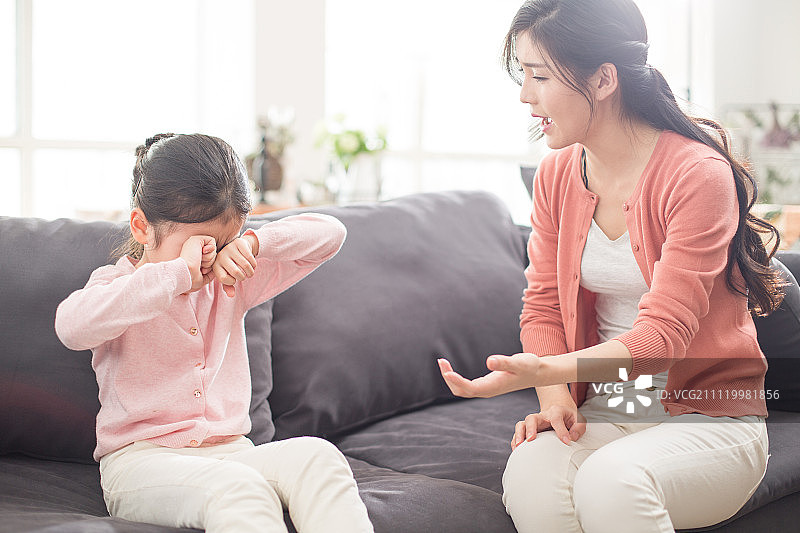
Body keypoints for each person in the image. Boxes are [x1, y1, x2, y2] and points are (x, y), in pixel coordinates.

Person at [437, 1, 786, 532]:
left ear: (603, 80)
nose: (526, 95)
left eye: (540, 76)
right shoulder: (557, 174)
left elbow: (663, 337)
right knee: (531, 471)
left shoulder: (696, 175)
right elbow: (545, 305)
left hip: (712, 413)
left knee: (612, 481)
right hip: (618, 405)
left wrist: (546, 371)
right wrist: (554, 399)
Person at [55, 133, 373, 533]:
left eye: (225, 242)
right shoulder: (120, 287)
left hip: (232, 453)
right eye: (199, 245)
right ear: (141, 227)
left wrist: (256, 242)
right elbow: (71, 327)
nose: (213, 258)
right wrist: (174, 275)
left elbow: (330, 235)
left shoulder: (232, 280)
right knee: (239, 489)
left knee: (318, 457)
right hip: (142, 464)